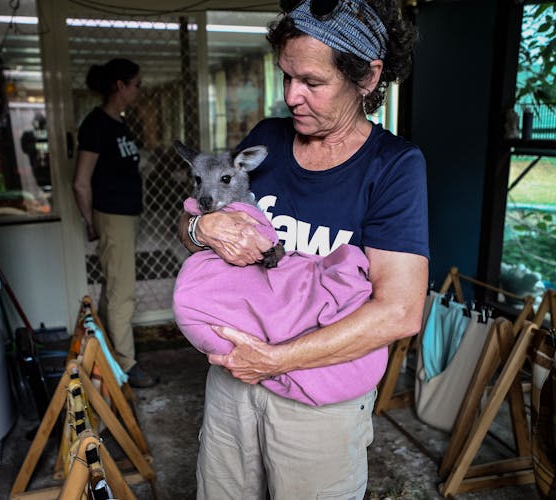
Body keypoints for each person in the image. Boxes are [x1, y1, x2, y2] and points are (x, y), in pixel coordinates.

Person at [176, 0, 429, 498]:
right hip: (234, 379)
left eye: (312, 82)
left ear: (368, 77)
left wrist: (275, 359)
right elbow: (190, 230)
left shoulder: (394, 166)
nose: (291, 96)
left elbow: (400, 312)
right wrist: (203, 229)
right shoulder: (267, 140)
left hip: (317, 390)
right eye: (286, 76)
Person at [73, 58, 158, 388]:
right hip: (113, 218)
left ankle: (111, 355)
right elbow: (81, 182)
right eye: (136, 83)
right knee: (123, 294)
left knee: (115, 290)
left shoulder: (118, 124)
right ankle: (125, 367)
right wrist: (90, 221)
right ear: (120, 86)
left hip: (123, 217)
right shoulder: (97, 125)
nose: (139, 89)